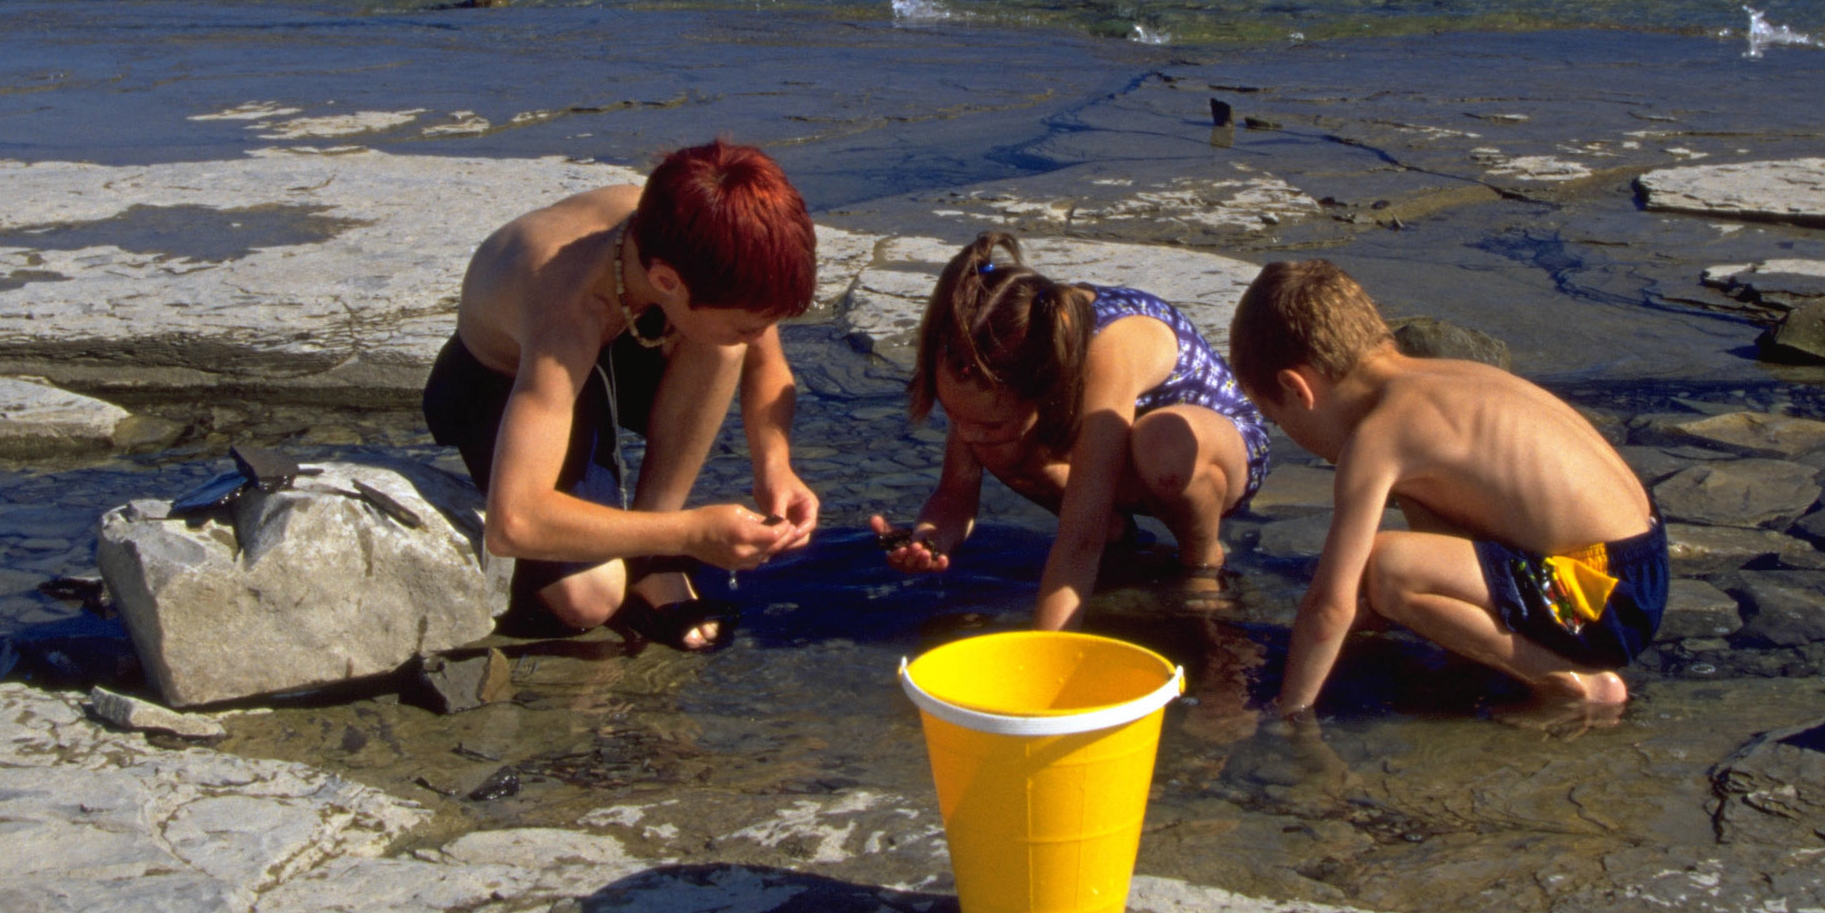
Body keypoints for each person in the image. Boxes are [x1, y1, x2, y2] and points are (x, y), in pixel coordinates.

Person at [423, 138, 821, 649]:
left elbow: (767, 361)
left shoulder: (700, 237)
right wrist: (690, 533)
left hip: (623, 340)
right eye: (748, 324)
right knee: (590, 599)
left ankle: (651, 556)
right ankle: (655, 540)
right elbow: (514, 520)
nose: (758, 334)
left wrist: (775, 465)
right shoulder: (567, 310)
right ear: (665, 281)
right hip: (502, 377)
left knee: (721, 345)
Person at [1230, 260, 1663, 727]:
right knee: (1416, 511)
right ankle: (1489, 649)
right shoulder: (1442, 379)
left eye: (1276, 420)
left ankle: (1572, 681)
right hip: (1635, 569)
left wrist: (1291, 709)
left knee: (1386, 567)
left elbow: (1329, 605)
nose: (1287, 431)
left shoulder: (1380, 437)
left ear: (1297, 389)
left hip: (1600, 598)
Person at [875, 231, 1270, 631]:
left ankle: (1202, 558)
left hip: (1213, 447)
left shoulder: (1107, 353)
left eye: (988, 424)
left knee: (1160, 444)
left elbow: (1080, 540)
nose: (968, 436)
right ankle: (1118, 533)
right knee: (1002, 447)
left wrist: (1047, 654)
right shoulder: (986, 347)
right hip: (1108, 449)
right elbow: (954, 494)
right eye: (955, 416)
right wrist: (929, 540)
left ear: (1044, 387)